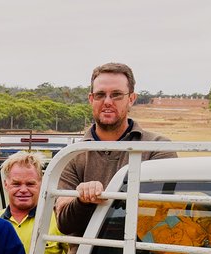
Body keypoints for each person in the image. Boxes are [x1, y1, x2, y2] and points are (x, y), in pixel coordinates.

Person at [55, 62, 178, 242]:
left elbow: (163, 213)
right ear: (91, 99)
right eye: (100, 95)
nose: (107, 102)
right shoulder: (73, 155)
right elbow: (64, 224)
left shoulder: (157, 148)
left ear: (131, 98)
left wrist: (103, 198)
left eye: (116, 95)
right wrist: (82, 201)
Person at [0, 151, 65, 254]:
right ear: (6, 184)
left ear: (42, 184)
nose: (23, 190)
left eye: (30, 184)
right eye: (16, 184)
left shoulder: (58, 220)